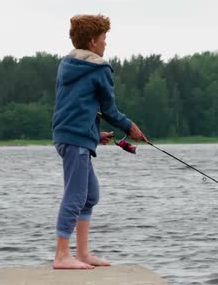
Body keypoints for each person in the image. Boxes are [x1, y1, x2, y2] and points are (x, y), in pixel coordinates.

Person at [51, 14, 147, 269]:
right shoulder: (99, 69)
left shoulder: (66, 64)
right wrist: (130, 127)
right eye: (104, 39)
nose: (106, 44)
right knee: (76, 195)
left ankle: (82, 253)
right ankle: (62, 255)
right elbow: (110, 110)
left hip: (68, 136)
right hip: (76, 140)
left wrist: (94, 134)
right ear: (93, 42)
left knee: (90, 195)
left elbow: (78, 107)